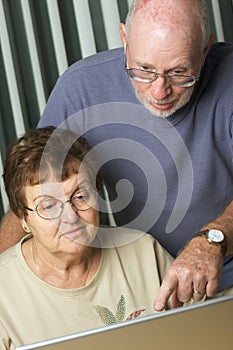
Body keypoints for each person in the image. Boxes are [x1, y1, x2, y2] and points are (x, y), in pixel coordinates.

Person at [1, 0, 233, 311]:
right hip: (143, 285)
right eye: (144, 70)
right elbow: (36, 188)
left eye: (179, 73)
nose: (159, 91)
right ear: (124, 39)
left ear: (205, 50)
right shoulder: (80, 89)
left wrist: (212, 241)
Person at [0, 126, 175, 348]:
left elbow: (201, 331)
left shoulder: (145, 251)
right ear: (23, 218)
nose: (71, 217)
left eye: (81, 196)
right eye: (49, 206)